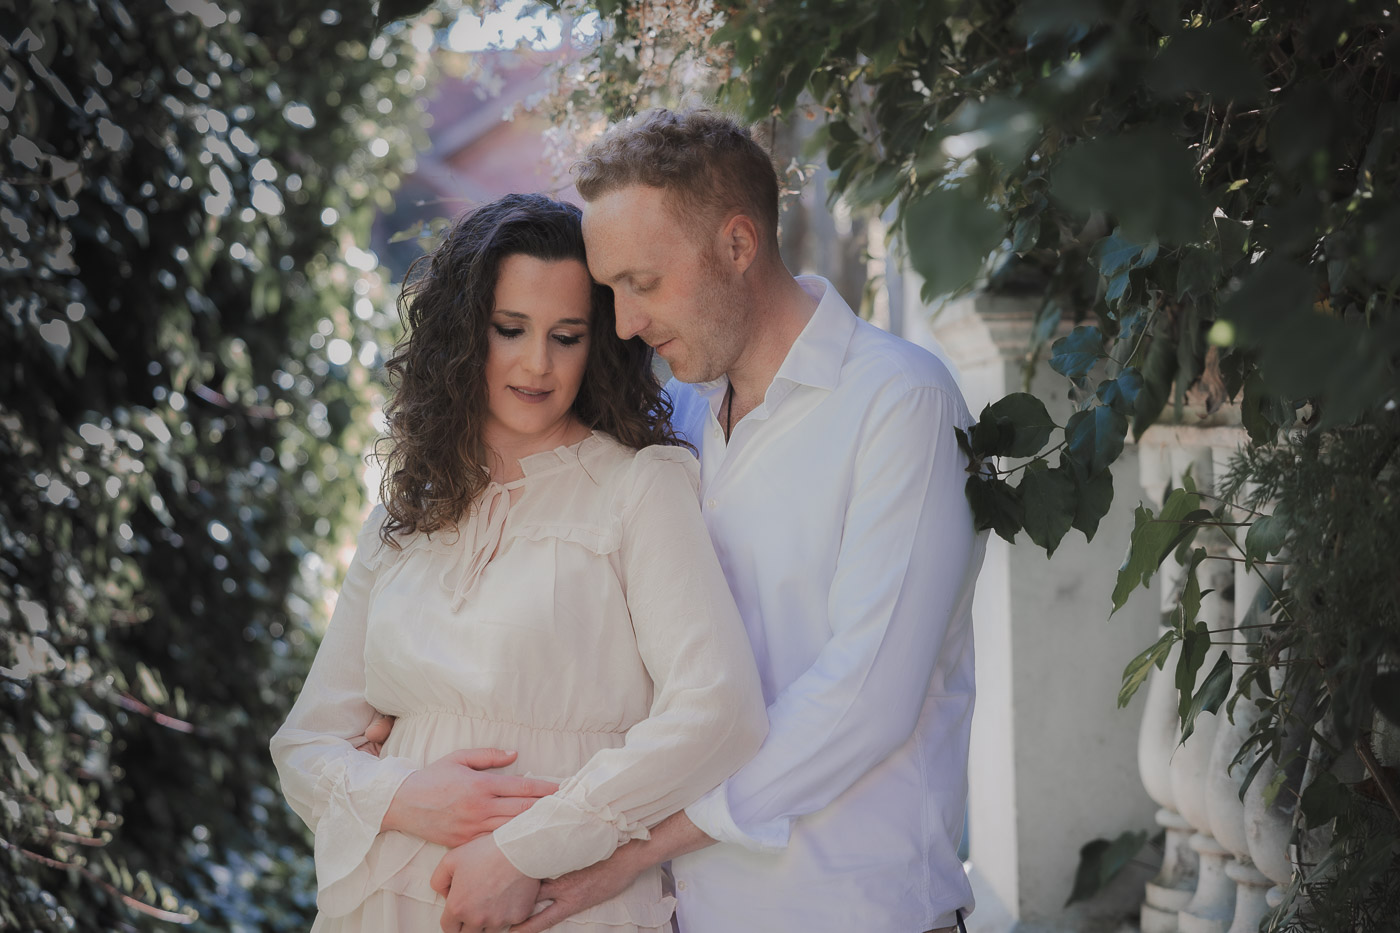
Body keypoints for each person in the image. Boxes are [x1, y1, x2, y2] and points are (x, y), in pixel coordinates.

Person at [503, 108, 988, 933]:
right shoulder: (680, 421)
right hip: (691, 913)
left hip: (857, 912)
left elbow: (865, 697)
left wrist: (633, 847)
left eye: (643, 284)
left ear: (737, 244)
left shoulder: (901, 401)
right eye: (611, 289)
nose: (623, 324)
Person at [269, 192, 767, 933]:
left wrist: (524, 848)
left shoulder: (639, 486)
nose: (538, 363)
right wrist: (406, 795)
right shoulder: (406, 511)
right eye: (511, 330)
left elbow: (720, 715)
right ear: (464, 336)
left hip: (554, 903)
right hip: (388, 901)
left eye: (567, 336)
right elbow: (305, 745)